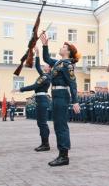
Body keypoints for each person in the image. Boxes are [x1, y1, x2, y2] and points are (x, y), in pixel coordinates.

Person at [40, 33, 81, 167]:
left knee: (61, 125)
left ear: (68, 52)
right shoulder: (58, 63)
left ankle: (64, 156)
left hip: (62, 95)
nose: (61, 48)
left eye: (64, 47)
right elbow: (46, 58)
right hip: (56, 95)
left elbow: (73, 84)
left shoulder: (67, 65)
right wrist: (45, 45)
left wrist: (75, 101)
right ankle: (61, 154)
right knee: (57, 125)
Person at [13, 47, 51, 152]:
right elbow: (38, 67)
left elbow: (34, 86)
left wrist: (20, 89)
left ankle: (46, 144)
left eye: (46, 65)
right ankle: (44, 143)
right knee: (40, 123)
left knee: (42, 123)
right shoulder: (44, 75)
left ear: (49, 69)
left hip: (42, 100)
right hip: (40, 100)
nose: (44, 65)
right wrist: (37, 54)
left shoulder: (46, 77)